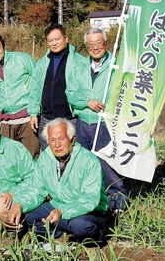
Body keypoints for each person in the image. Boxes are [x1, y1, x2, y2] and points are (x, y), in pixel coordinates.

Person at [8, 118, 108, 243]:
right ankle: (60, 234)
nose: (57, 144)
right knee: (27, 217)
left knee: (81, 226)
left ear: (72, 140)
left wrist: (62, 212)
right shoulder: (45, 158)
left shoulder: (89, 160)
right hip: (57, 206)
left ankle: (96, 237)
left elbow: (90, 199)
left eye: (61, 139)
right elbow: (36, 188)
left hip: (88, 211)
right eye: (52, 140)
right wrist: (19, 203)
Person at [66, 28, 129, 212]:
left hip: (105, 123)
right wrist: (87, 102)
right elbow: (70, 93)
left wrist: (107, 107)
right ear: (86, 47)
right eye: (91, 44)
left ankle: (119, 201)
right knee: (87, 165)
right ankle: (95, 202)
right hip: (83, 123)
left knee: (108, 164)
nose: (95, 47)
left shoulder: (116, 66)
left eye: (99, 43)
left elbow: (121, 93)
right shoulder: (80, 67)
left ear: (106, 44)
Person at [0, 33, 40, 159]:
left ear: (4, 47)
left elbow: (39, 81)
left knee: (31, 158)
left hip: (28, 119)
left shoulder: (21, 59)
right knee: (9, 159)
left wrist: (34, 111)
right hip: (7, 121)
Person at [28, 23, 83, 150]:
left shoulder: (79, 61)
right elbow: (34, 90)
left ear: (66, 39)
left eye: (57, 39)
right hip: (47, 119)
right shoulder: (42, 63)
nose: (54, 43)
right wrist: (33, 113)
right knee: (49, 155)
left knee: (71, 154)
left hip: (70, 119)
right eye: (50, 40)